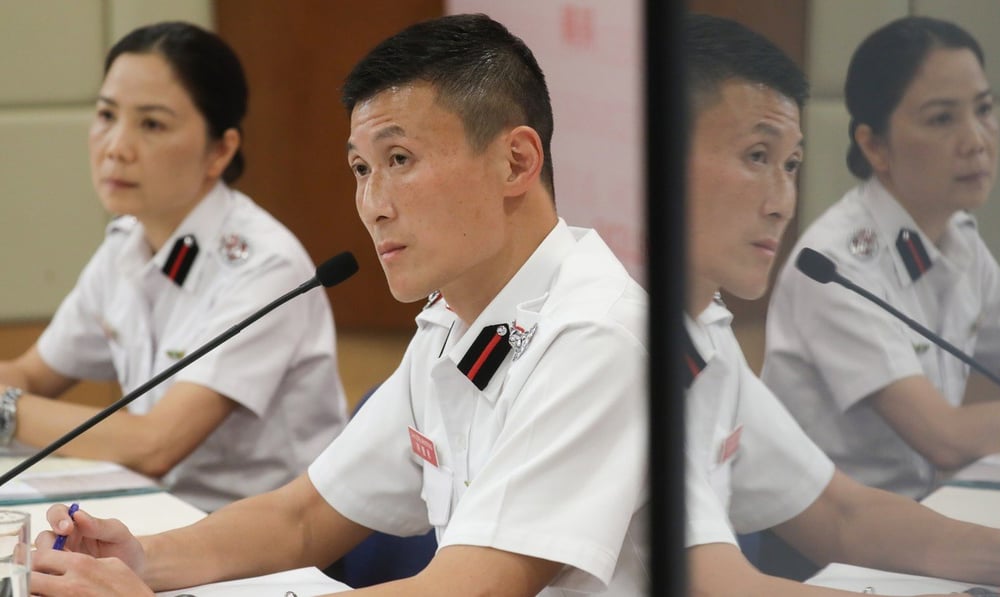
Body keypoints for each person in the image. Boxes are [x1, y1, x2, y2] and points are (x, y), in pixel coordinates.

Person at [29, 13, 648, 596]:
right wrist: (139, 560)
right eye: (360, 168)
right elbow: (304, 515)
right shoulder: (451, 323)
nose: (372, 203)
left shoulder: (596, 334)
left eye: (399, 160)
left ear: (516, 161)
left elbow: (470, 586)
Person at [683, 13, 1000, 594]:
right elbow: (717, 586)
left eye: (791, 165)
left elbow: (842, 512)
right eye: (757, 157)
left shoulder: (706, 335)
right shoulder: (616, 340)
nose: (781, 202)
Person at [0, 21, 348, 512]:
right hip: (153, 517)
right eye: (106, 115)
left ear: (220, 151)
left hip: (265, 551)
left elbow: (156, 446)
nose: (115, 147)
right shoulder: (127, 241)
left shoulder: (266, 267)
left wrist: (6, 412)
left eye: (152, 124)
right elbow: (30, 374)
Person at [762, 16, 1000, 502]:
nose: (977, 141)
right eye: (942, 118)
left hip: (921, 520)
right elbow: (943, 437)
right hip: (825, 547)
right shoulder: (836, 265)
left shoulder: (960, 237)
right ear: (874, 146)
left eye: (984, 109)